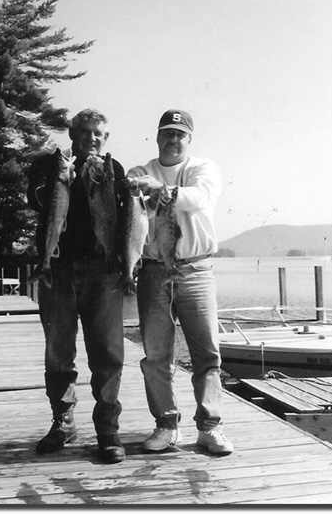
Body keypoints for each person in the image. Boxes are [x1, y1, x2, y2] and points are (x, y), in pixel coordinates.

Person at [127, 109, 233, 456]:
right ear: (157, 137)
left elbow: (200, 198)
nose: (173, 140)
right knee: (156, 354)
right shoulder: (140, 172)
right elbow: (130, 206)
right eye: (166, 133)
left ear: (189, 139)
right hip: (154, 270)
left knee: (207, 352)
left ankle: (210, 427)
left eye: (180, 135)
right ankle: (165, 424)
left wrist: (163, 190)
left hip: (197, 269)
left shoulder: (203, 168)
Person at [27, 109, 126, 464]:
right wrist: (63, 179)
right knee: (58, 351)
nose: (91, 138)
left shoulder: (112, 170)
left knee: (108, 354)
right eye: (84, 131)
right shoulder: (48, 164)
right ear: (72, 133)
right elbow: (37, 200)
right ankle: (63, 420)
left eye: (98, 133)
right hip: (58, 270)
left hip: (102, 272)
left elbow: (122, 218)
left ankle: (107, 429)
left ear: (106, 137)